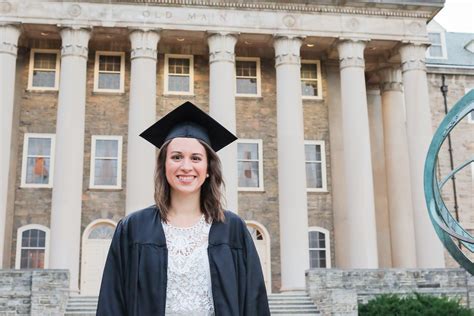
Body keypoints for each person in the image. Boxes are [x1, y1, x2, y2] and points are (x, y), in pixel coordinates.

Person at [96, 101, 270, 316]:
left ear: (208, 169)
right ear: (164, 165)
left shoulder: (232, 229)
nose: (186, 166)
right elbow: (112, 303)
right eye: (176, 157)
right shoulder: (133, 228)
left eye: (196, 158)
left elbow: (254, 304)